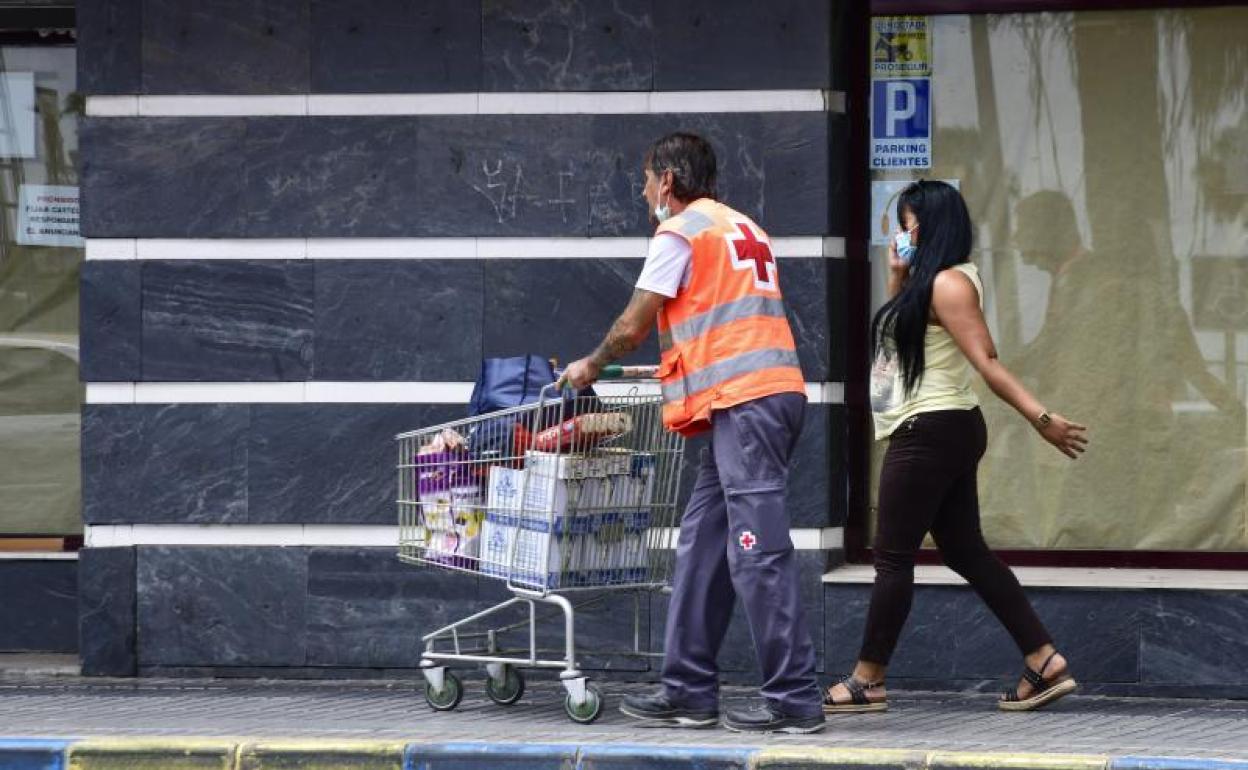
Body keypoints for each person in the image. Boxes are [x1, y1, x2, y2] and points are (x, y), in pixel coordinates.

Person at [558, 132, 825, 734]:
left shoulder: (679, 231)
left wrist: (591, 364)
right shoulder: (740, 226)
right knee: (703, 544)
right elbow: (724, 319)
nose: (645, 192)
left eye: (647, 181)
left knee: (759, 555)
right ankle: (687, 690)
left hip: (747, 404)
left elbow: (632, 323)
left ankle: (795, 700)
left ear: (669, 182)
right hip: (750, 401)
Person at [823, 180, 1088, 715]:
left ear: (931, 224)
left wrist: (1041, 417)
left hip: (931, 429)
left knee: (893, 558)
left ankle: (867, 679)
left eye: (907, 223)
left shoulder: (949, 284)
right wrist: (897, 274)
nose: (902, 233)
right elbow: (904, 345)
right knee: (964, 549)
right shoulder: (930, 282)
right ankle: (1043, 660)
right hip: (941, 426)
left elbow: (986, 360)